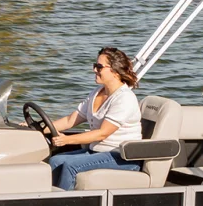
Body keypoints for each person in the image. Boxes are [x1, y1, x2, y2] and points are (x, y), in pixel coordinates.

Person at [45, 47, 143, 191]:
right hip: (97, 151)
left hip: (120, 157)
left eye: (99, 67)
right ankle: (48, 197)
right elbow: (69, 121)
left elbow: (102, 133)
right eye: (95, 65)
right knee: (55, 160)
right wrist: (38, 128)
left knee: (71, 166)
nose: (94, 70)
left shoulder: (124, 98)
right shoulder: (96, 93)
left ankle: (62, 203)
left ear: (115, 71)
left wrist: (66, 140)